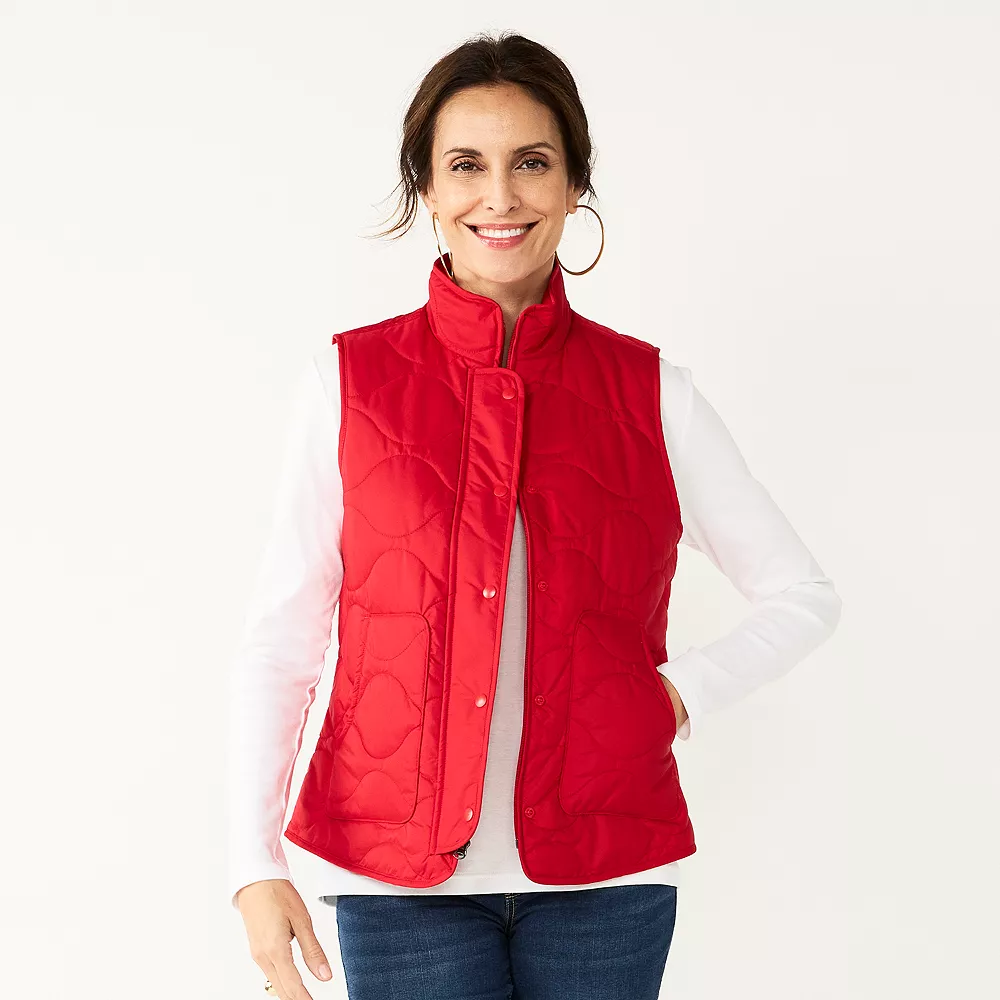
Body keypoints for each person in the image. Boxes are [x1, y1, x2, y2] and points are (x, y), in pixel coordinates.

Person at [228, 31, 843, 1000]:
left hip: (606, 878)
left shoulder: (652, 393)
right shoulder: (347, 384)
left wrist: (672, 695)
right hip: (400, 883)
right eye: (466, 165)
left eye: (531, 163)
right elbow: (285, 640)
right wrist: (252, 862)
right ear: (427, 190)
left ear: (572, 184)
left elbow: (801, 594)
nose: (500, 196)